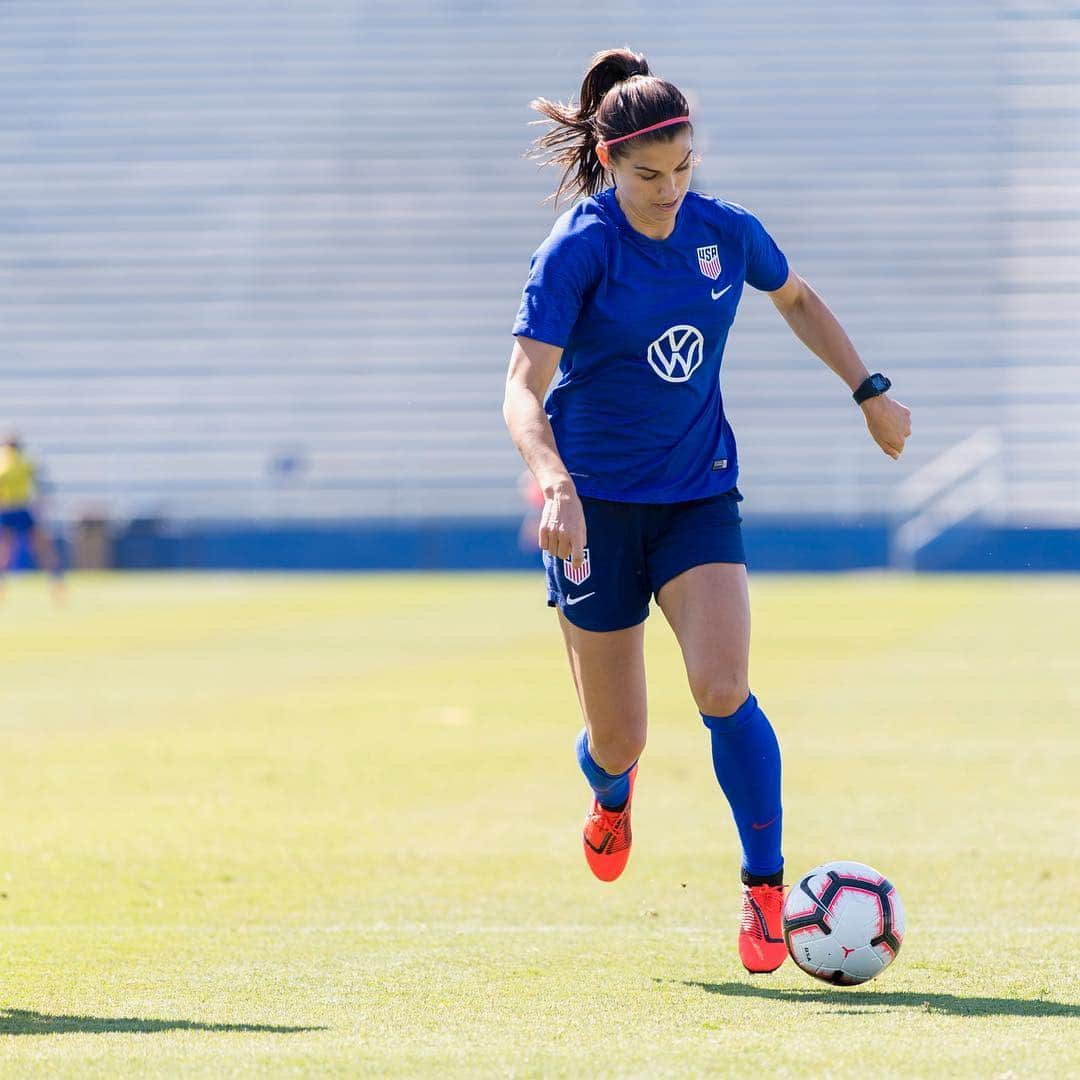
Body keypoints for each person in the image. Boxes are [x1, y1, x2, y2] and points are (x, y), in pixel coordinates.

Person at [502, 48, 911, 974]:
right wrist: (554, 483)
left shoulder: (724, 233)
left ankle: (764, 892)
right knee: (620, 738)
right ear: (609, 163)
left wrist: (869, 389)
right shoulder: (578, 248)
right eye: (649, 175)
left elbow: (796, 298)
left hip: (697, 496)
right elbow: (522, 389)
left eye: (684, 169)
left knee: (723, 688)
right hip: (594, 512)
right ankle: (612, 794)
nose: (670, 190)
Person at [0, 435, 64, 596]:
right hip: (22, 508)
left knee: (6, 549)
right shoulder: (26, 461)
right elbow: (40, 484)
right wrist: (41, 505)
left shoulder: (3, 461)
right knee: (42, 546)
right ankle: (56, 580)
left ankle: (2, 585)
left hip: (6, 509)